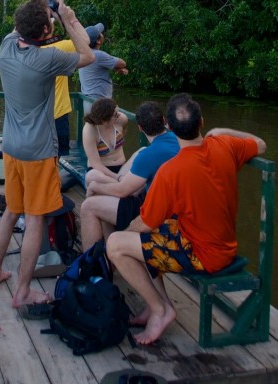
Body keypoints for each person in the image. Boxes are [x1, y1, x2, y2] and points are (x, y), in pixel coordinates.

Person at [107, 93, 267, 345]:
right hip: (222, 246)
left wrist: (125, 232)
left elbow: (145, 223)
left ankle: (161, 311)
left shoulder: (171, 171)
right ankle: (157, 305)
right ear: (202, 122)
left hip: (202, 256)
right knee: (152, 233)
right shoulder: (226, 145)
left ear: (169, 127)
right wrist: (223, 129)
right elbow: (260, 144)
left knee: (117, 244)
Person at [0, 0, 94, 309]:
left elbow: (25, 23)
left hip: (11, 147)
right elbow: (87, 55)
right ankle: (22, 291)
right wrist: (69, 17)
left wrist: (42, 2)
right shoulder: (46, 60)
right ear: (46, 32)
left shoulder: (5, 47)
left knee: (10, 211)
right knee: (34, 220)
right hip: (38, 151)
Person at [80, 101, 179, 249]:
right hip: (172, 205)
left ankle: (96, 262)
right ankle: (108, 250)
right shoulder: (180, 140)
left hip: (153, 210)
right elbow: (97, 165)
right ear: (164, 121)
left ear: (139, 128)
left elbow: (123, 191)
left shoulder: (147, 156)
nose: (119, 115)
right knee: (94, 177)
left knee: (88, 205)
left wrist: (95, 187)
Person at [38, 0, 76, 157]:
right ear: (48, 29)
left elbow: (18, 33)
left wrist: (39, 0)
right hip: (58, 115)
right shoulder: (62, 47)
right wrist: (65, 18)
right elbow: (84, 42)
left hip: (36, 118)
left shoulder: (26, 51)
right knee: (58, 158)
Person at [78, 23, 128, 110]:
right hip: (100, 104)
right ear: (98, 41)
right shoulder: (98, 55)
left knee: (92, 123)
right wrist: (118, 67)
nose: (102, 34)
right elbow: (123, 63)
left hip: (88, 101)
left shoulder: (83, 53)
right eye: (100, 33)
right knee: (123, 119)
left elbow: (96, 68)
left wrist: (115, 67)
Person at [82, 97, 130, 181]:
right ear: (104, 120)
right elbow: (95, 164)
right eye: (115, 115)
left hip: (122, 168)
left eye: (117, 110)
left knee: (142, 151)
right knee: (91, 176)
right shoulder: (90, 130)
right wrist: (118, 178)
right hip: (101, 171)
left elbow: (124, 134)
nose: (118, 115)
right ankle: (123, 187)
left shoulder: (122, 119)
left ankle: (117, 187)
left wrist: (121, 176)